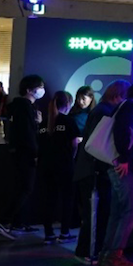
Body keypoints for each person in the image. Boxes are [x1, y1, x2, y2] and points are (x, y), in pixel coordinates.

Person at [98, 82, 133, 266]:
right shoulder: (129, 107)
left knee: (118, 211)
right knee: (130, 210)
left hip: (112, 163)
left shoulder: (122, 106)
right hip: (120, 165)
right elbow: (121, 132)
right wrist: (124, 159)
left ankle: (107, 254)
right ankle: (114, 256)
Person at [73, 81, 125, 265]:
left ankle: (90, 251)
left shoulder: (101, 110)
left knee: (96, 214)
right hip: (93, 171)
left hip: (91, 170)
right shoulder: (103, 112)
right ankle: (88, 252)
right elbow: (97, 144)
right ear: (118, 96)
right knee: (94, 215)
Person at [0, 75, 45, 239]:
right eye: (39, 87)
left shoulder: (18, 106)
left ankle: (18, 222)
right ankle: (4, 221)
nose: (42, 90)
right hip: (26, 153)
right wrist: (35, 152)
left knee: (22, 187)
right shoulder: (25, 107)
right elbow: (27, 133)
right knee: (24, 188)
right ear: (29, 90)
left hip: (19, 152)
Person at [33, 91, 77, 244]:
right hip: (64, 165)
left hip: (45, 166)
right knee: (67, 199)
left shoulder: (44, 123)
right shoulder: (68, 121)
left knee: (49, 199)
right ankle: (65, 232)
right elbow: (74, 144)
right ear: (68, 104)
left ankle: (49, 233)